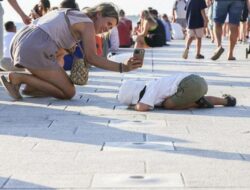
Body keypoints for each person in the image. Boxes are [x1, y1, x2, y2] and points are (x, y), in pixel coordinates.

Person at [0, 3, 143, 100]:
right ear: (99, 14)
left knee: (54, 86)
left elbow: (57, 57)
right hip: (35, 46)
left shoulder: (72, 15)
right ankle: (19, 78)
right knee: (69, 92)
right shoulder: (87, 24)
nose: (107, 29)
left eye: (111, 28)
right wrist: (123, 67)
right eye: (108, 23)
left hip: (22, 41)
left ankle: (29, 87)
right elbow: (92, 58)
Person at [118, 73, 236, 112]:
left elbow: (142, 107)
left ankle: (198, 103)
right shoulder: (151, 84)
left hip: (188, 84)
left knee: (167, 104)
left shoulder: (149, 90)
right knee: (197, 98)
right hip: (197, 81)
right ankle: (227, 101)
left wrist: (132, 107)